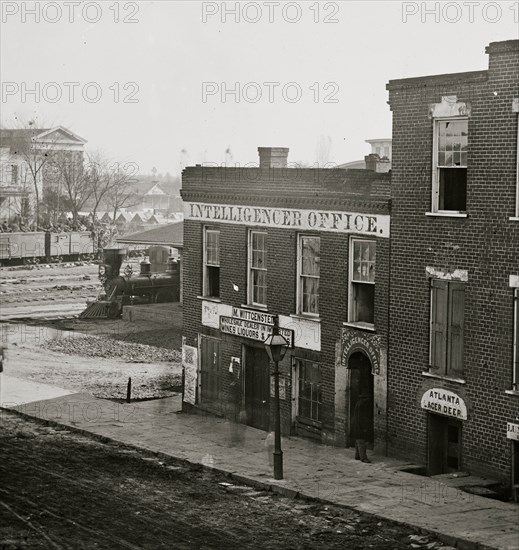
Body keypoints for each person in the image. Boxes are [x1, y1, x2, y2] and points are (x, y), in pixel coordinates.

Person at [352, 392, 373, 463]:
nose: (368, 399)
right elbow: (361, 417)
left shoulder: (359, 403)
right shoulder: (362, 405)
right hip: (359, 426)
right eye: (367, 398)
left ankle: (357, 455)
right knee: (362, 441)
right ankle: (363, 458)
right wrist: (364, 427)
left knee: (358, 441)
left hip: (356, 425)